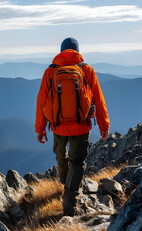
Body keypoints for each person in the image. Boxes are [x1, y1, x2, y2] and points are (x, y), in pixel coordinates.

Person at [35, 37, 110, 216]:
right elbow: (98, 99)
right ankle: (69, 202)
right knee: (77, 162)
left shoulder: (50, 71)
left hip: (58, 125)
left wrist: (40, 129)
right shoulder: (86, 70)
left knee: (61, 155)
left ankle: (64, 182)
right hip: (81, 126)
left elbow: (41, 101)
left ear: (61, 51)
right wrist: (103, 125)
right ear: (77, 50)